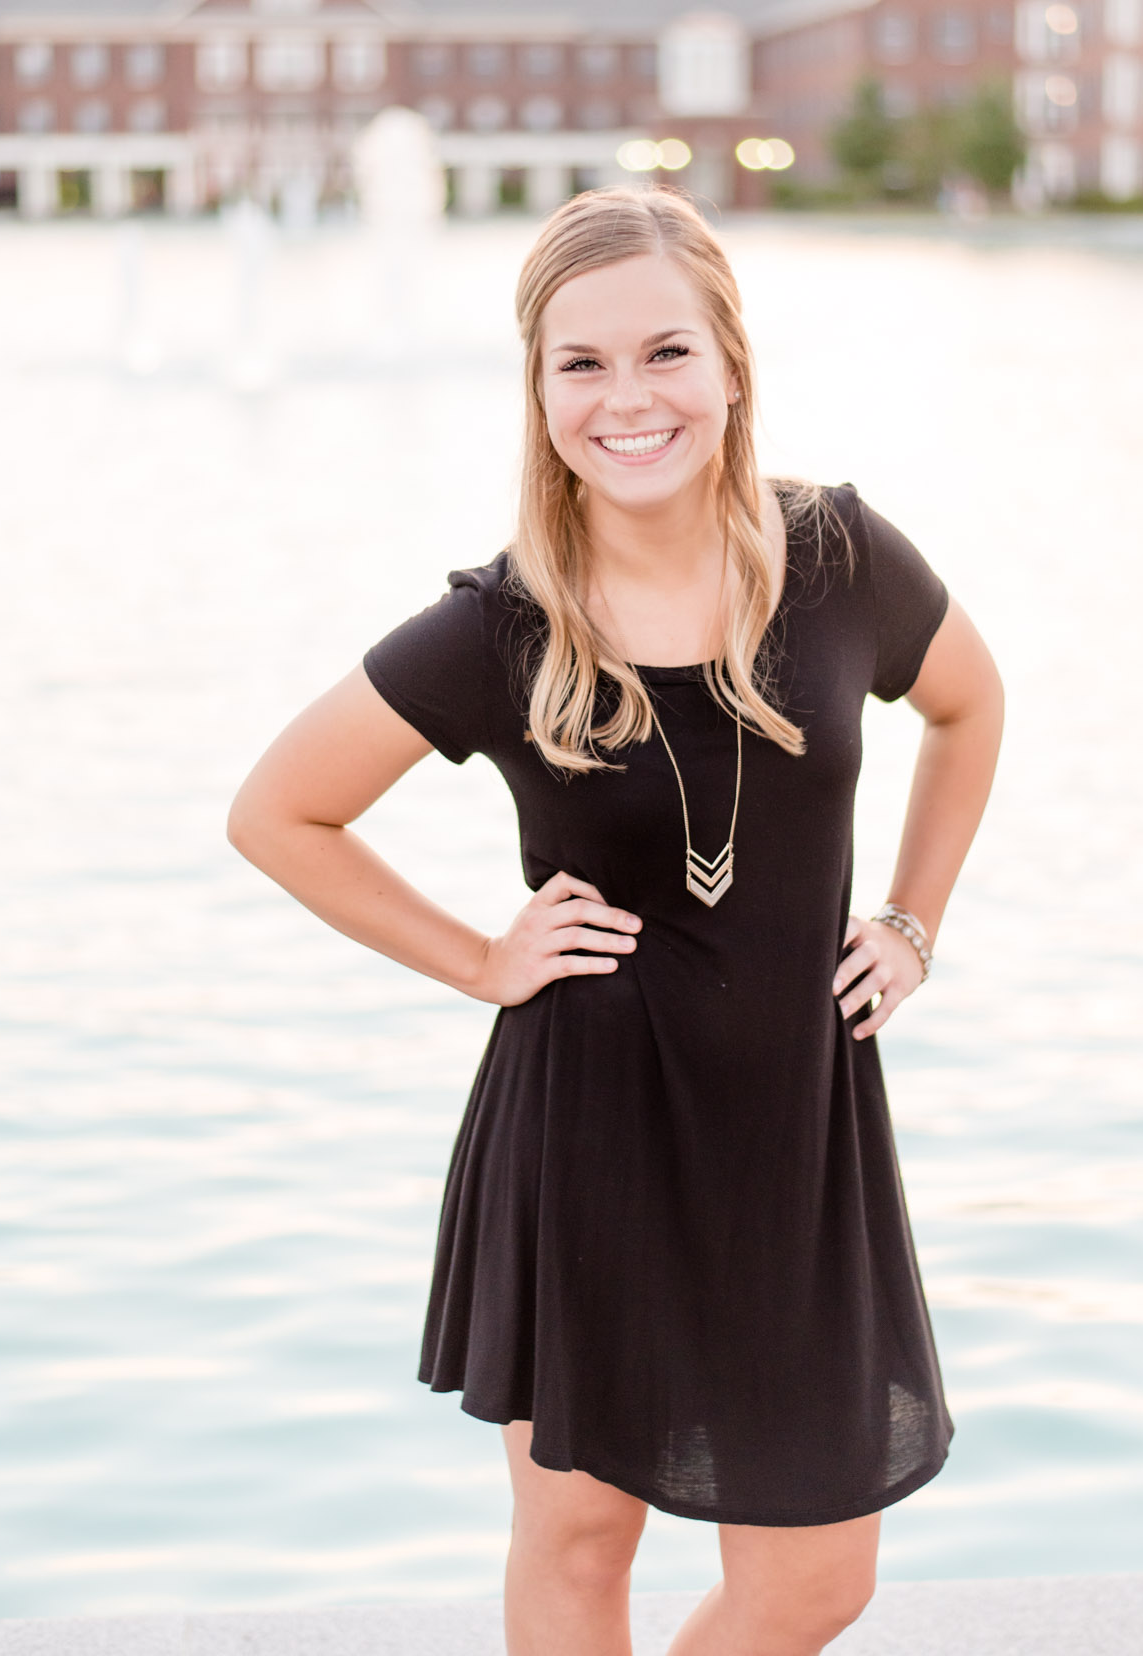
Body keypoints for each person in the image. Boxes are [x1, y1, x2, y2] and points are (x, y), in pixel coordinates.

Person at [227, 186, 1005, 1656]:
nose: (628, 398)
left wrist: (912, 917)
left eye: (665, 353)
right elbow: (278, 813)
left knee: (816, 1577)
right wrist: (478, 958)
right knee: (581, 1542)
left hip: (800, 1125)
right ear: (538, 392)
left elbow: (971, 706)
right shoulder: (501, 627)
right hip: (589, 1121)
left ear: (730, 366)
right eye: (580, 364)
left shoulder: (838, 558)